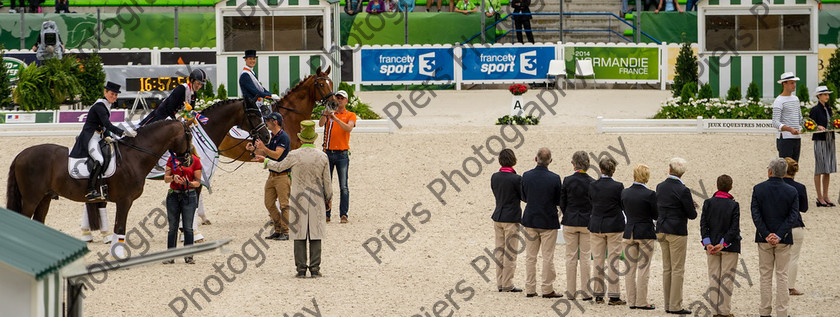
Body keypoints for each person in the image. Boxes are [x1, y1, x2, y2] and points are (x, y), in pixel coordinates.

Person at [256, 120, 332, 278]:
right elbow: (327, 182)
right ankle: (315, 269)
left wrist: (266, 161)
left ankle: (301, 269)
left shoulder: (294, 155)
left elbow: (279, 167)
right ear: (313, 139)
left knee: (300, 233)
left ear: (302, 139)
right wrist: (328, 198)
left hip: (299, 197)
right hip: (317, 197)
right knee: (315, 233)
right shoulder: (323, 157)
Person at [69, 81, 136, 201]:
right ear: (105, 92)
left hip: (99, 137)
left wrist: (108, 135)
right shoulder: (99, 106)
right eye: (112, 94)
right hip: (91, 137)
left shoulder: (106, 105)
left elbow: (103, 126)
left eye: (116, 95)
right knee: (99, 160)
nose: (114, 97)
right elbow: (107, 124)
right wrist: (123, 133)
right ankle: (90, 190)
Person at [751, 157, 799, 317]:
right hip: (783, 238)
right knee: (782, 275)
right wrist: (779, 234)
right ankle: (782, 312)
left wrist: (766, 234)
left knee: (765, 275)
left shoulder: (758, 189)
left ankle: (765, 311)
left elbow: (756, 215)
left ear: (770, 171)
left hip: (764, 238)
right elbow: (793, 216)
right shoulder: (792, 191)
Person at [520, 147, 563, 298]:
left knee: (530, 257)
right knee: (547, 256)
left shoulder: (526, 175)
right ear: (550, 161)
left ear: (535, 159)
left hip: (530, 219)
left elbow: (524, 197)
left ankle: (530, 288)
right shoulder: (555, 178)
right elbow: (559, 200)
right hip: (548, 220)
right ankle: (547, 288)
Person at [655, 157, 696, 315]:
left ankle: (667, 303)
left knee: (667, 268)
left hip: (662, 228)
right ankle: (675, 305)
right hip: (677, 230)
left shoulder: (660, 186)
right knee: (677, 269)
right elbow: (691, 215)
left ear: (669, 169)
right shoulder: (683, 190)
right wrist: (691, 206)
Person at [699, 174, 741, 317]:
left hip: (711, 244)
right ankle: (724, 311)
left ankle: (714, 310)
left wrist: (708, 242)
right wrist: (723, 243)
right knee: (727, 278)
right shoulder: (734, 205)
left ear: (717, 186)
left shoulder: (708, 203)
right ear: (730, 187)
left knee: (713, 277)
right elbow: (734, 228)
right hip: (729, 246)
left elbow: (703, 224)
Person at [247, 112, 291, 241]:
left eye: (268, 121)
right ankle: (278, 229)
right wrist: (253, 150)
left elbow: (277, 155)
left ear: (275, 122)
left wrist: (263, 148)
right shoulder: (274, 136)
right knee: (269, 203)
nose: (266, 123)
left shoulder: (283, 137)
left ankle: (285, 231)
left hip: (282, 175)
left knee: (284, 205)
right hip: (272, 175)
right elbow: (267, 154)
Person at [588, 156, 626, 306]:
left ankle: (598, 294)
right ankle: (614, 295)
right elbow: (621, 205)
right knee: (613, 261)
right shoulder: (618, 186)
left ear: (601, 169)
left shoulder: (592, 185)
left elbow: (591, 202)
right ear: (613, 170)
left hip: (597, 224)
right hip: (614, 226)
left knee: (597, 260)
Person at [558, 151, 594, 300]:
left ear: (574, 164)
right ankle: (586, 292)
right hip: (586, 222)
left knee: (570, 257)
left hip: (571, 220)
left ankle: (571, 292)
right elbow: (593, 203)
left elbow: (562, 202)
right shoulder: (592, 182)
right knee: (585, 257)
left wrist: (568, 214)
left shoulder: (567, 180)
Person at [621, 164, 657, 310]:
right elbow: (656, 215)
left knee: (630, 268)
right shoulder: (650, 194)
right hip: (645, 233)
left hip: (629, 231)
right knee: (643, 267)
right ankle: (641, 301)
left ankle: (631, 301)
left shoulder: (625, 192)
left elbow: (623, 209)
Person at [319, 90, 356, 224]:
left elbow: (348, 128)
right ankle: (326, 213)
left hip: (342, 154)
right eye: (338, 98)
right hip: (328, 152)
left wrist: (335, 119)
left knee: (343, 186)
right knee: (326, 185)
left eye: (342, 98)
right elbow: (321, 124)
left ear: (346, 101)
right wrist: (326, 113)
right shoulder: (330, 114)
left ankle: (343, 214)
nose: (340, 100)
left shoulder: (350, 115)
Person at [490, 149, 523, 293]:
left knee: (499, 251)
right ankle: (507, 283)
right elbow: (523, 197)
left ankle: (500, 282)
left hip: (498, 215)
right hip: (511, 217)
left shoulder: (494, 177)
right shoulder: (516, 179)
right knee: (510, 252)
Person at [162, 150, 202, 265]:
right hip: (173, 194)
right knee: (172, 227)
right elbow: (166, 178)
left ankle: (189, 256)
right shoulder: (172, 159)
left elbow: (197, 182)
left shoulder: (195, 161)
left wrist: (188, 183)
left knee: (188, 227)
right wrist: (173, 178)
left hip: (189, 195)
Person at [139, 69, 206, 127]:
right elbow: (170, 104)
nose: (199, 86)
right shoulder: (181, 88)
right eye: (198, 83)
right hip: (162, 112)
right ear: (192, 80)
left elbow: (191, 110)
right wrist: (174, 119)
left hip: (172, 114)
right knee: (145, 128)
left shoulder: (194, 95)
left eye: (201, 84)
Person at [782, 157, 807, 296]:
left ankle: (780, 284)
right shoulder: (800, 187)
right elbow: (804, 208)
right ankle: (790, 287)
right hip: (796, 224)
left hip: (778, 225)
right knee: (793, 258)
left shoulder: (776, 185)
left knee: (779, 258)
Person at [808, 86, 836, 207]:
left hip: (830, 139)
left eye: (827, 94)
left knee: (828, 169)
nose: (827, 97)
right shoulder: (815, 110)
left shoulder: (829, 109)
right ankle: (819, 197)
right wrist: (817, 126)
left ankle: (826, 195)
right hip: (820, 140)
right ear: (819, 96)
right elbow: (809, 124)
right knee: (820, 168)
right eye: (824, 94)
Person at [772, 72, 803, 162]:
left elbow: (800, 118)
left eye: (794, 83)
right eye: (791, 83)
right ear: (784, 84)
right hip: (785, 138)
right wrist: (790, 129)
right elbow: (775, 122)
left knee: (794, 167)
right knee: (786, 168)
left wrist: (810, 125)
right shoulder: (779, 101)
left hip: (797, 138)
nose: (794, 85)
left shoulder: (796, 99)